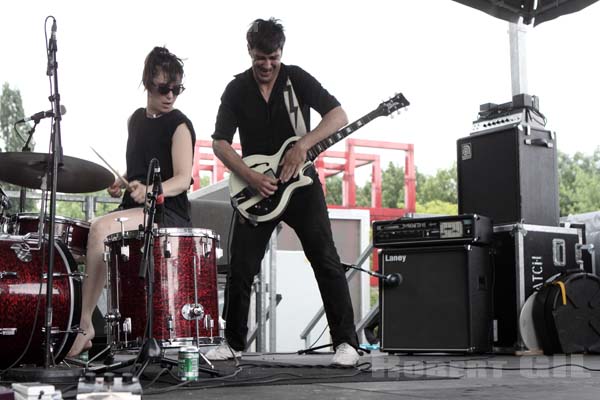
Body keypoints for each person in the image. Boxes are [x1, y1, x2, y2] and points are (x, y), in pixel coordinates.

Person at [208, 18, 360, 366]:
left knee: (325, 258)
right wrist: (249, 176)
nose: (267, 64)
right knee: (242, 267)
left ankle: (346, 343)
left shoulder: (297, 78)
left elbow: (338, 115)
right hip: (256, 189)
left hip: (302, 186)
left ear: (281, 52)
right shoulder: (236, 90)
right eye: (260, 57)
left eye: (273, 57)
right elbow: (220, 143)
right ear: (250, 51)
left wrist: (302, 146)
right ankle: (232, 343)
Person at [67, 46, 196, 357]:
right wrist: (122, 180)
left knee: (100, 229)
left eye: (176, 89)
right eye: (163, 88)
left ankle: (85, 326)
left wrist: (151, 190)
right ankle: (76, 322)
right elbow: (138, 167)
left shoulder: (179, 124)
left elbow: (182, 178)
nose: (170, 95)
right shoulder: (135, 120)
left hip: (166, 211)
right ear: (147, 83)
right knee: (78, 238)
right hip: (135, 207)